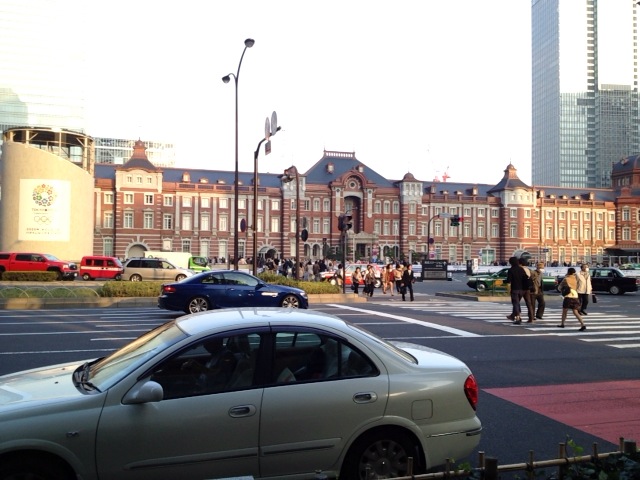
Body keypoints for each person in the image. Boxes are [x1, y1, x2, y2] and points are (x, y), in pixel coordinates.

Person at [505, 256, 527, 324]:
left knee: (515, 303)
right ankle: (513, 316)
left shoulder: (511, 270)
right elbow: (525, 277)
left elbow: (508, 280)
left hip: (514, 289)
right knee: (517, 303)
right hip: (522, 289)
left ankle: (518, 317)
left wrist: (504, 282)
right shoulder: (521, 269)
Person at [518, 258, 535, 323]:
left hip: (521, 287)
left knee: (517, 303)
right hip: (527, 288)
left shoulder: (520, 269)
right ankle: (531, 317)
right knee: (528, 303)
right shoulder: (528, 269)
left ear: (520, 263)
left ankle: (518, 316)